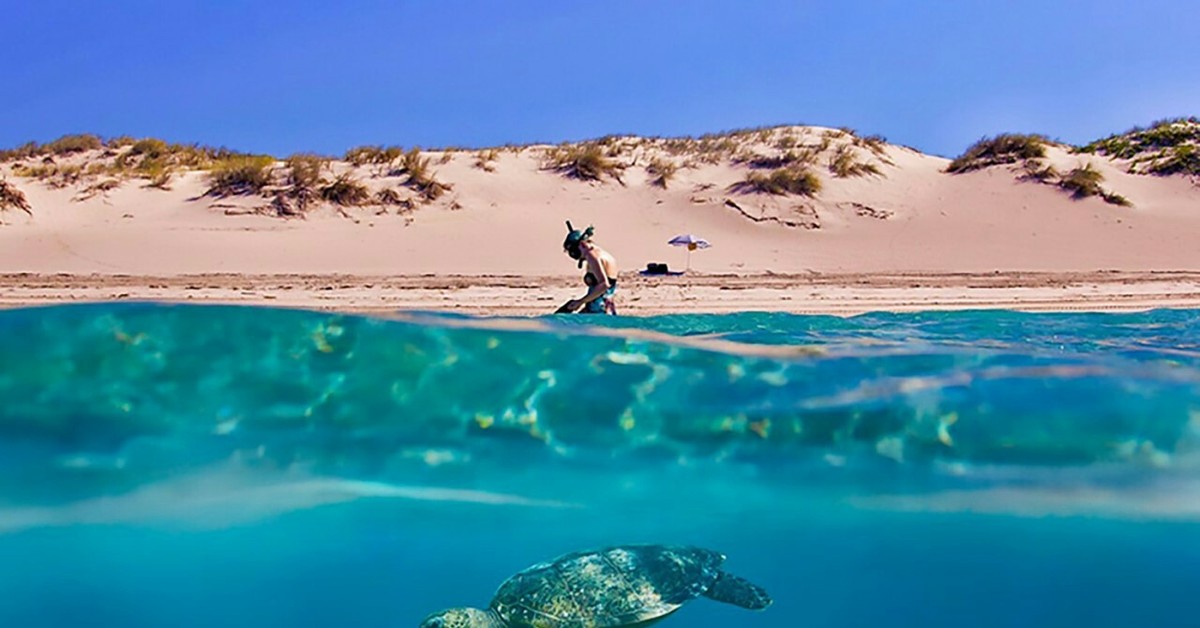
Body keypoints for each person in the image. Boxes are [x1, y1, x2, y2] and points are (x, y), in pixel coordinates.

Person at [559, 221, 618, 315]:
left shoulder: (592, 255)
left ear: (581, 245)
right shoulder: (599, 252)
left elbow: (604, 284)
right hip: (606, 306)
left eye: (573, 251)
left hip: (598, 307)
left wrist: (580, 302)